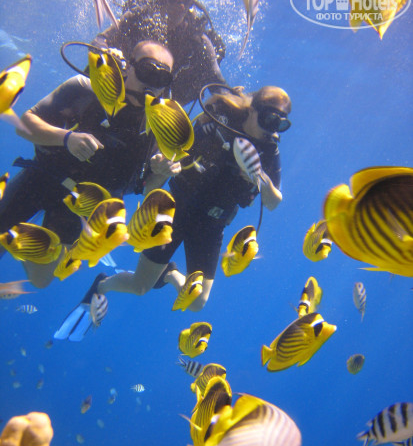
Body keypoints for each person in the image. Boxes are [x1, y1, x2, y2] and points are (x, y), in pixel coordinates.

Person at [90, 85, 291, 311]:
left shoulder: (268, 151)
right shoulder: (219, 123)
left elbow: (273, 203)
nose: (271, 130)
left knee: (197, 303)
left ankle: (170, 274)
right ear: (252, 110)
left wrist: (260, 177)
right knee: (140, 286)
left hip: (212, 223)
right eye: (268, 120)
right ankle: (102, 285)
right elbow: (177, 150)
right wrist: (162, 163)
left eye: (280, 125)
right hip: (175, 210)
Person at [0, 40, 180, 288]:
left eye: (162, 79)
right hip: (42, 178)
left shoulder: (162, 123)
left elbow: (149, 188)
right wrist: (66, 138)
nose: (152, 84)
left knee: (40, 280)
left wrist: (162, 172)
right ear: (129, 66)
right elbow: (25, 125)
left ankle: (19, 240)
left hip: (84, 204)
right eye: (147, 71)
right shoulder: (87, 88)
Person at [92, 0, 226, 105]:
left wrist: (231, 102)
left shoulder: (198, 40)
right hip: (126, 90)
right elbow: (98, 42)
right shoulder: (135, 18)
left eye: (160, 1)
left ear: (182, 8)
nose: (153, 6)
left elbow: (217, 84)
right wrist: (107, 55)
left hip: (165, 104)